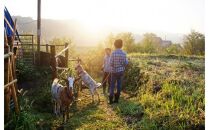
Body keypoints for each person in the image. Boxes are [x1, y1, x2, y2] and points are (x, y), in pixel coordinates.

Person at [109, 39, 128, 104]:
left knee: (112, 85)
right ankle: (116, 100)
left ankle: (111, 100)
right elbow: (125, 63)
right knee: (119, 85)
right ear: (121, 45)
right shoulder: (124, 53)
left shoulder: (113, 53)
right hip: (121, 71)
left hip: (114, 71)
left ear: (115, 45)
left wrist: (114, 65)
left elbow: (110, 63)